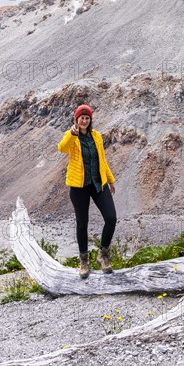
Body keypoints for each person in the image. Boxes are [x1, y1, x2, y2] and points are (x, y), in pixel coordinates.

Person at [57, 104, 117, 278]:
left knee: (111, 218)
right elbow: (62, 148)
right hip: (78, 186)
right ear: (76, 119)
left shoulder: (96, 136)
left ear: (90, 120)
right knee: (82, 224)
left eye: (87, 118)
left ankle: (103, 254)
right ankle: (84, 261)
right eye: (81, 117)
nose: (84, 120)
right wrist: (72, 134)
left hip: (98, 184)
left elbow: (102, 160)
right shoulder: (71, 136)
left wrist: (111, 180)